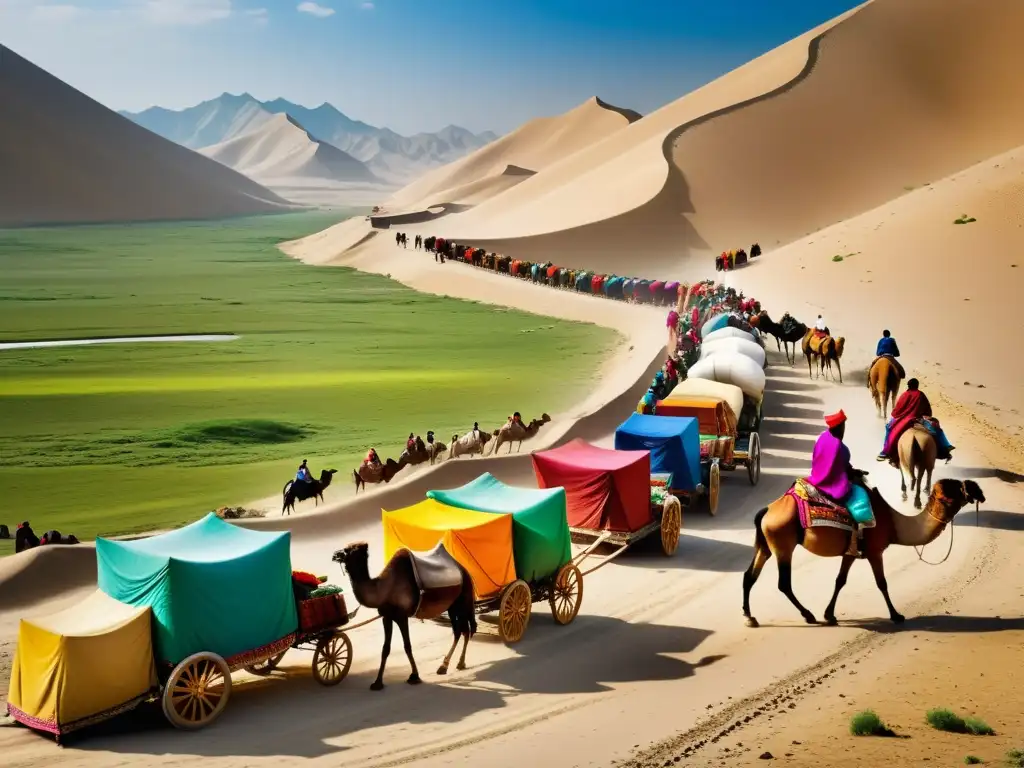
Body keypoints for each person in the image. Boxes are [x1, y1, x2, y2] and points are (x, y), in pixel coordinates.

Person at [806, 410, 873, 556]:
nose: (844, 429)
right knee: (858, 498)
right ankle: (854, 544)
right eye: (843, 425)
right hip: (832, 482)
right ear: (839, 427)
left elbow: (835, 463)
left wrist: (851, 469)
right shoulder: (837, 445)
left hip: (817, 477)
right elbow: (841, 466)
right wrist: (852, 473)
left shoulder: (823, 437)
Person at [877, 379, 954, 463]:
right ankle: (945, 447)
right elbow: (927, 409)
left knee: (889, 428)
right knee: (936, 428)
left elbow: (897, 411)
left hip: (903, 419)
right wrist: (926, 415)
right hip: (919, 419)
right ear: (917, 385)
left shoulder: (904, 395)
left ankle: (885, 452)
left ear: (908, 385)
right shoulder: (921, 394)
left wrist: (896, 415)